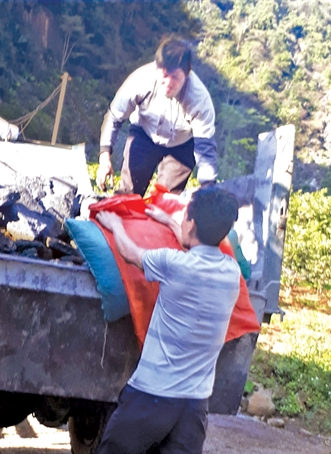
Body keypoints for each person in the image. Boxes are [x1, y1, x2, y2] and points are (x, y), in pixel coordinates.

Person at [94, 187, 240, 454]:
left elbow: (130, 253)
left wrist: (115, 225)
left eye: (185, 218)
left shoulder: (173, 265)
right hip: (194, 408)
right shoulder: (231, 272)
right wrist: (170, 221)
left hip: (151, 398)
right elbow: (197, 247)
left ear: (192, 223)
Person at [97, 36, 218, 196]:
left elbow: (205, 147)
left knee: (165, 202)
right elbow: (114, 117)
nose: (168, 83)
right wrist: (104, 157)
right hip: (144, 135)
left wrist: (207, 188)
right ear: (157, 67)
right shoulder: (141, 79)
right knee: (128, 194)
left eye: (175, 77)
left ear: (187, 73)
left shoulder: (198, 98)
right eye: (164, 75)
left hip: (181, 146)